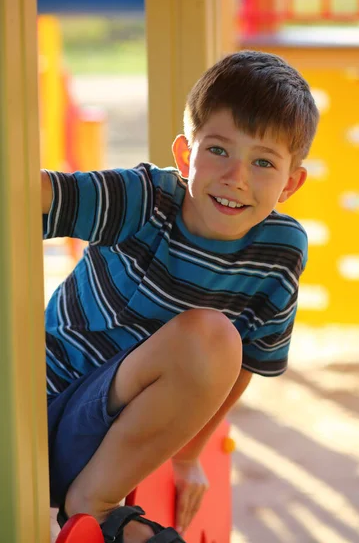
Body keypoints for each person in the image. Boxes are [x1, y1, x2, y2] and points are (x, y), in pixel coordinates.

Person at [43, 50, 319, 543]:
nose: (236, 176)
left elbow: (247, 362)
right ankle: (98, 508)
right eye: (218, 150)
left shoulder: (280, 250)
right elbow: (41, 197)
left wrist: (189, 454)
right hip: (41, 411)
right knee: (212, 334)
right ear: (185, 155)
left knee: (219, 342)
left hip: (121, 447)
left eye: (263, 161)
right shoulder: (143, 198)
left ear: (290, 184)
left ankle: (94, 506)